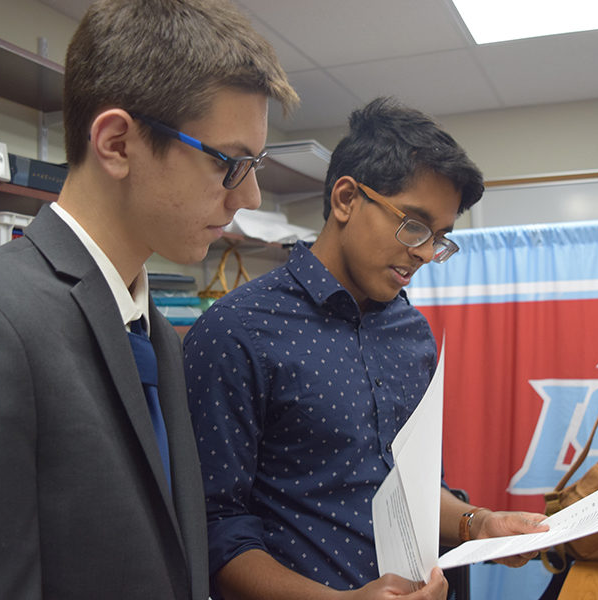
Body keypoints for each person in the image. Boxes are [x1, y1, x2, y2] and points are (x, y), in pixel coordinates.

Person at [0, 1, 297, 598]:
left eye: (256, 165)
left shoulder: (152, 332)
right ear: (117, 143)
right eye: (230, 164)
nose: (247, 195)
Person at [183, 97, 548, 600]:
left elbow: (413, 489)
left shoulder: (411, 332)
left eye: (439, 238)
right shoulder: (234, 334)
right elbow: (215, 531)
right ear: (346, 199)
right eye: (414, 224)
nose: (423, 253)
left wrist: (478, 523)